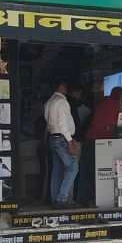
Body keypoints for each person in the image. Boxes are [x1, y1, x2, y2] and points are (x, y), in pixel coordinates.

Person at [44, 80, 80, 208]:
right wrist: (70, 141)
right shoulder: (62, 102)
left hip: (53, 137)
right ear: (60, 86)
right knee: (72, 167)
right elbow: (63, 124)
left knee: (57, 169)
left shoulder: (49, 102)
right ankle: (62, 199)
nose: (66, 88)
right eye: (65, 86)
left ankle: (55, 199)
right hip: (62, 138)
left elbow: (48, 122)